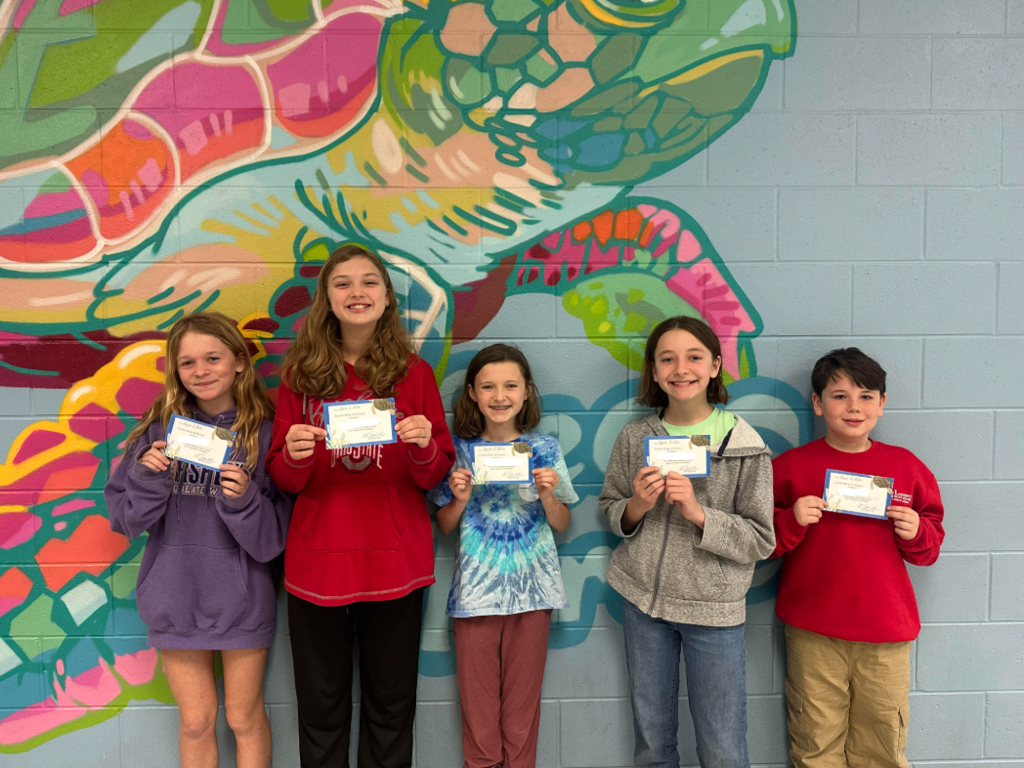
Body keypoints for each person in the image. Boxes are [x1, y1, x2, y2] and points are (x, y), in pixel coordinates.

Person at [266, 244, 455, 768]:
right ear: (326, 299)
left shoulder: (415, 374)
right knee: (320, 713)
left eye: (369, 281)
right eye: (342, 283)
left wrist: (424, 446)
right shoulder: (299, 376)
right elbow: (281, 478)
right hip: (317, 566)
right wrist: (295, 456)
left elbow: (436, 474)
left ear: (388, 297)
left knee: (391, 711)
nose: (357, 292)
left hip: (395, 564)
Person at [106, 311, 290, 768]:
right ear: (175, 370)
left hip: (243, 598)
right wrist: (146, 479)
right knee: (195, 721)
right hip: (175, 595)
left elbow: (273, 541)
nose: (201, 371)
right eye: (187, 362)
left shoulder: (267, 433)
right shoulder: (158, 431)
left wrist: (245, 499)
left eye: (213, 358)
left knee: (243, 717)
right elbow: (125, 521)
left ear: (239, 362)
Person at [599, 316, 775, 768]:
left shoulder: (746, 445)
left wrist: (699, 514)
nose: (681, 369)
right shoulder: (635, 436)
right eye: (668, 359)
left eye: (694, 357)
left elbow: (760, 538)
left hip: (713, 612)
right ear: (654, 372)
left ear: (715, 366)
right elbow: (611, 508)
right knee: (653, 745)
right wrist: (637, 504)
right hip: (644, 605)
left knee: (722, 747)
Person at [771, 348, 944, 768]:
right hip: (813, 632)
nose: (854, 407)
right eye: (840, 396)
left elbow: (930, 547)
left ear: (882, 404)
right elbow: (761, 542)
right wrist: (791, 520)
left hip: (886, 632)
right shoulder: (790, 467)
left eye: (866, 396)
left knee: (882, 744)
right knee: (815, 742)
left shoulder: (906, 467)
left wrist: (916, 532)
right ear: (817, 403)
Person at [429, 344, 577, 768]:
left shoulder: (544, 448)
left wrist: (548, 496)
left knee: (520, 719)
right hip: (475, 596)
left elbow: (562, 523)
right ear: (472, 393)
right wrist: (459, 498)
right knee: (479, 720)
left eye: (510, 385)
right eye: (488, 386)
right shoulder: (458, 450)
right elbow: (444, 526)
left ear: (527, 391)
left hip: (534, 594)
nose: (499, 396)